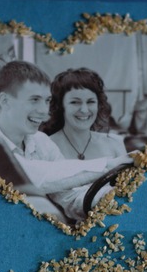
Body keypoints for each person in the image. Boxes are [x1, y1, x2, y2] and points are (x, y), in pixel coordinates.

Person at [0, 61, 131, 217]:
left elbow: (70, 198)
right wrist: (109, 165)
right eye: (34, 100)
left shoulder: (42, 142)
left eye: (47, 101)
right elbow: (34, 175)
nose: (43, 111)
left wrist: (117, 196)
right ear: (5, 101)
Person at [41, 68, 131, 220]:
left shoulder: (114, 143)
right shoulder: (46, 147)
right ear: (60, 106)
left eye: (90, 102)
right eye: (75, 102)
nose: (84, 110)